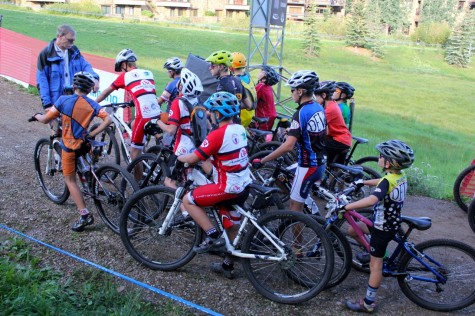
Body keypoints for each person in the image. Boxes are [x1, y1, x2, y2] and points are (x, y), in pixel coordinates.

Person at [177, 91, 252, 279]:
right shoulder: (240, 129)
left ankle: (211, 236)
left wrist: (179, 157)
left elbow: (195, 157)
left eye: (211, 112)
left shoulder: (217, 134)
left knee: (188, 199)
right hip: (243, 185)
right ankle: (228, 265)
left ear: (218, 114)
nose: (209, 115)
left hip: (227, 188)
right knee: (231, 226)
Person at [29, 72, 112, 232]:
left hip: (70, 147)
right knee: (83, 154)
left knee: (70, 179)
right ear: (89, 90)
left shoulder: (62, 100)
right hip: (84, 144)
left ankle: (84, 215)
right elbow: (108, 119)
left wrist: (37, 116)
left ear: (73, 86)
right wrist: (92, 134)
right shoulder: (92, 104)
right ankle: (88, 174)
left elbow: (46, 119)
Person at [344, 140, 414, 313]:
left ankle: (368, 303)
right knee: (353, 230)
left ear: (389, 162)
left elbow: (373, 199)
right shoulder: (398, 175)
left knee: (376, 267)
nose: (378, 157)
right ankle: (377, 254)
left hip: (382, 227)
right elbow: (383, 181)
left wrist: (347, 206)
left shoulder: (387, 181)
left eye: (381, 156)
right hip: (388, 222)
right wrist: (364, 182)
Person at [252, 70, 327, 218]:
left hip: (307, 165)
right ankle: (316, 216)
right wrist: (296, 133)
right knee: (284, 176)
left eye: (292, 90)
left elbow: (288, 146)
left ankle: (296, 242)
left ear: (300, 91)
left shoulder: (300, 112)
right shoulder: (318, 107)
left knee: (294, 209)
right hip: (320, 161)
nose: (291, 93)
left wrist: (262, 160)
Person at [95, 48, 161, 164]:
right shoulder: (148, 73)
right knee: (134, 125)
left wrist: (93, 104)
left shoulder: (125, 77)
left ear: (125, 64)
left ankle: (136, 182)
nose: (121, 71)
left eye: (121, 68)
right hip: (157, 113)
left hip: (144, 116)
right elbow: (143, 92)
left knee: (134, 154)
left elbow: (105, 92)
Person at [151, 68, 204, 188]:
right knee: (188, 179)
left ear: (181, 86)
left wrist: (157, 121)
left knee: (169, 182)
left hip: (183, 147)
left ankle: (184, 205)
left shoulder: (177, 102)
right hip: (197, 143)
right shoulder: (197, 100)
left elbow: (171, 130)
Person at [36, 24, 99, 111]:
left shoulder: (74, 51)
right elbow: (42, 81)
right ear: (59, 36)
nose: (72, 43)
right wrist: (47, 104)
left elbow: (85, 66)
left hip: (74, 100)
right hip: (56, 103)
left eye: (73, 41)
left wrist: (95, 78)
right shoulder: (46, 54)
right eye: (69, 40)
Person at [314, 81, 352, 166]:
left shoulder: (329, 110)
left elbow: (319, 127)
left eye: (316, 96)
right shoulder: (332, 104)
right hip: (343, 139)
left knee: (315, 146)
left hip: (339, 140)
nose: (315, 99)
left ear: (324, 96)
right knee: (334, 168)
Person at [156, 57, 184, 146]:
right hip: (183, 116)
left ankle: (162, 141)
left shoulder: (172, 84)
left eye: (168, 71)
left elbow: (160, 101)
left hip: (170, 116)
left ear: (172, 72)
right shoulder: (186, 81)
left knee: (150, 120)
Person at [229, 51, 256, 127]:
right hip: (250, 114)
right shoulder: (248, 77)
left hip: (242, 116)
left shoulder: (236, 81)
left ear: (231, 67)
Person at [255, 65, 280, 131]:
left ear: (264, 79)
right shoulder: (268, 87)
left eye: (262, 72)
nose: (260, 73)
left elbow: (252, 99)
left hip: (264, 116)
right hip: (270, 115)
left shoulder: (260, 87)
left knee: (261, 138)